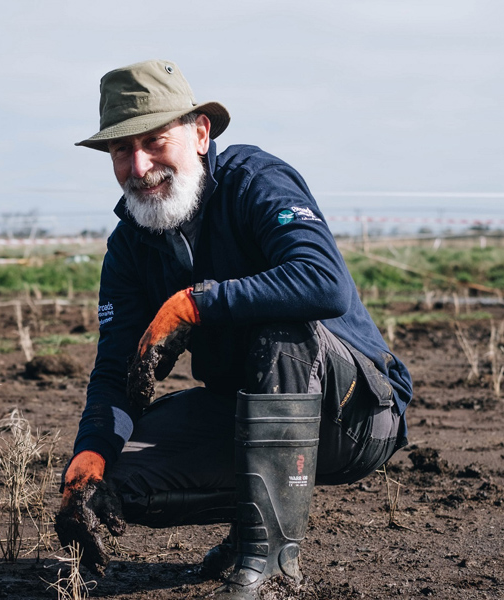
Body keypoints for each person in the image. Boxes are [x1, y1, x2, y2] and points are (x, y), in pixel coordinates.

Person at [55, 59, 413, 599]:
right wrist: (89, 458)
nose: (140, 164)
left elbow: (324, 283)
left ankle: (271, 565)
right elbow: (115, 372)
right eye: (122, 150)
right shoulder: (129, 246)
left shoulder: (255, 182)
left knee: (280, 329)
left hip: (356, 414)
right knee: (116, 482)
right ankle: (253, 529)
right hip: (248, 414)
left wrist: (196, 304)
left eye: (155, 140)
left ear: (200, 133)